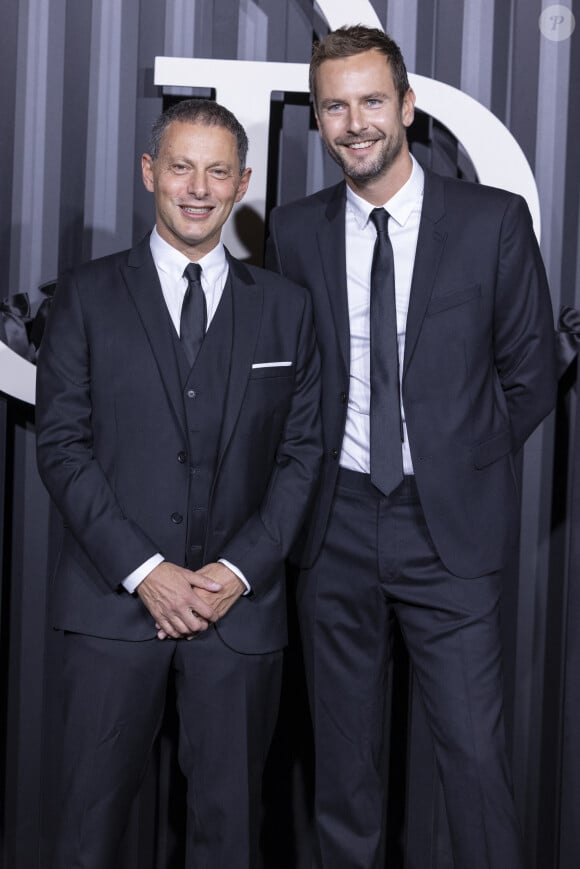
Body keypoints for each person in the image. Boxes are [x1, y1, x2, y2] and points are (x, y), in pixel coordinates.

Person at [265, 25, 557, 869]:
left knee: (472, 760)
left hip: (449, 528)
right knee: (344, 774)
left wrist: (459, 458)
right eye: (335, 106)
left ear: (407, 106)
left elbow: (531, 372)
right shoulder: (294, 231)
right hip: (337, 526)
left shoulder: (491, 222)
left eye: (371, 101)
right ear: (319, 118)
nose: (354, 122)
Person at [36, 98, 321, 869]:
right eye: (182, 166)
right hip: (109, 607)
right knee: (87, 832)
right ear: (149, 173)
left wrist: (236, 572)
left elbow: (303, 455)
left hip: (240, 616)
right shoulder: (86, 297)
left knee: (229, 836)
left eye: (218, 171)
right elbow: (62, 446)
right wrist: (146, 572)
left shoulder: (288, 311)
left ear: (243, 184)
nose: (198, 187)